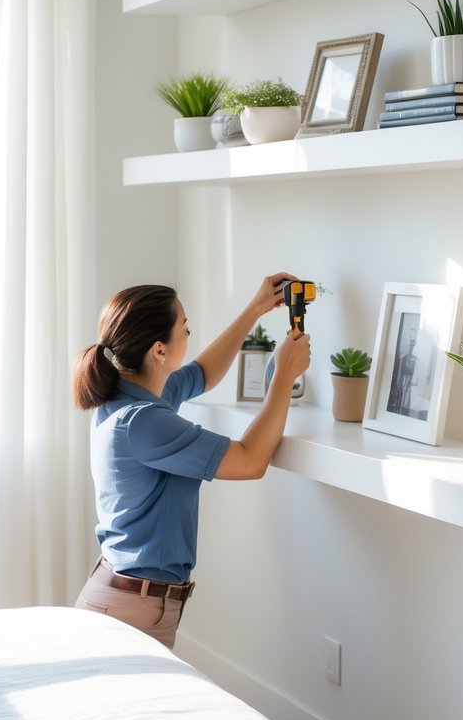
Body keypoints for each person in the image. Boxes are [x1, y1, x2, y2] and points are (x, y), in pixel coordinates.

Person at [72, 273, 310, 649]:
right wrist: (283, 375)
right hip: (133, 609)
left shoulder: (127, 393)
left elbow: (202, 374)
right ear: (159, 350)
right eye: (185, 328)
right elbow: (250, 461)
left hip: (124, 598)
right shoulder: (144, 421)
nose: (188, 335)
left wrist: (256, 308)